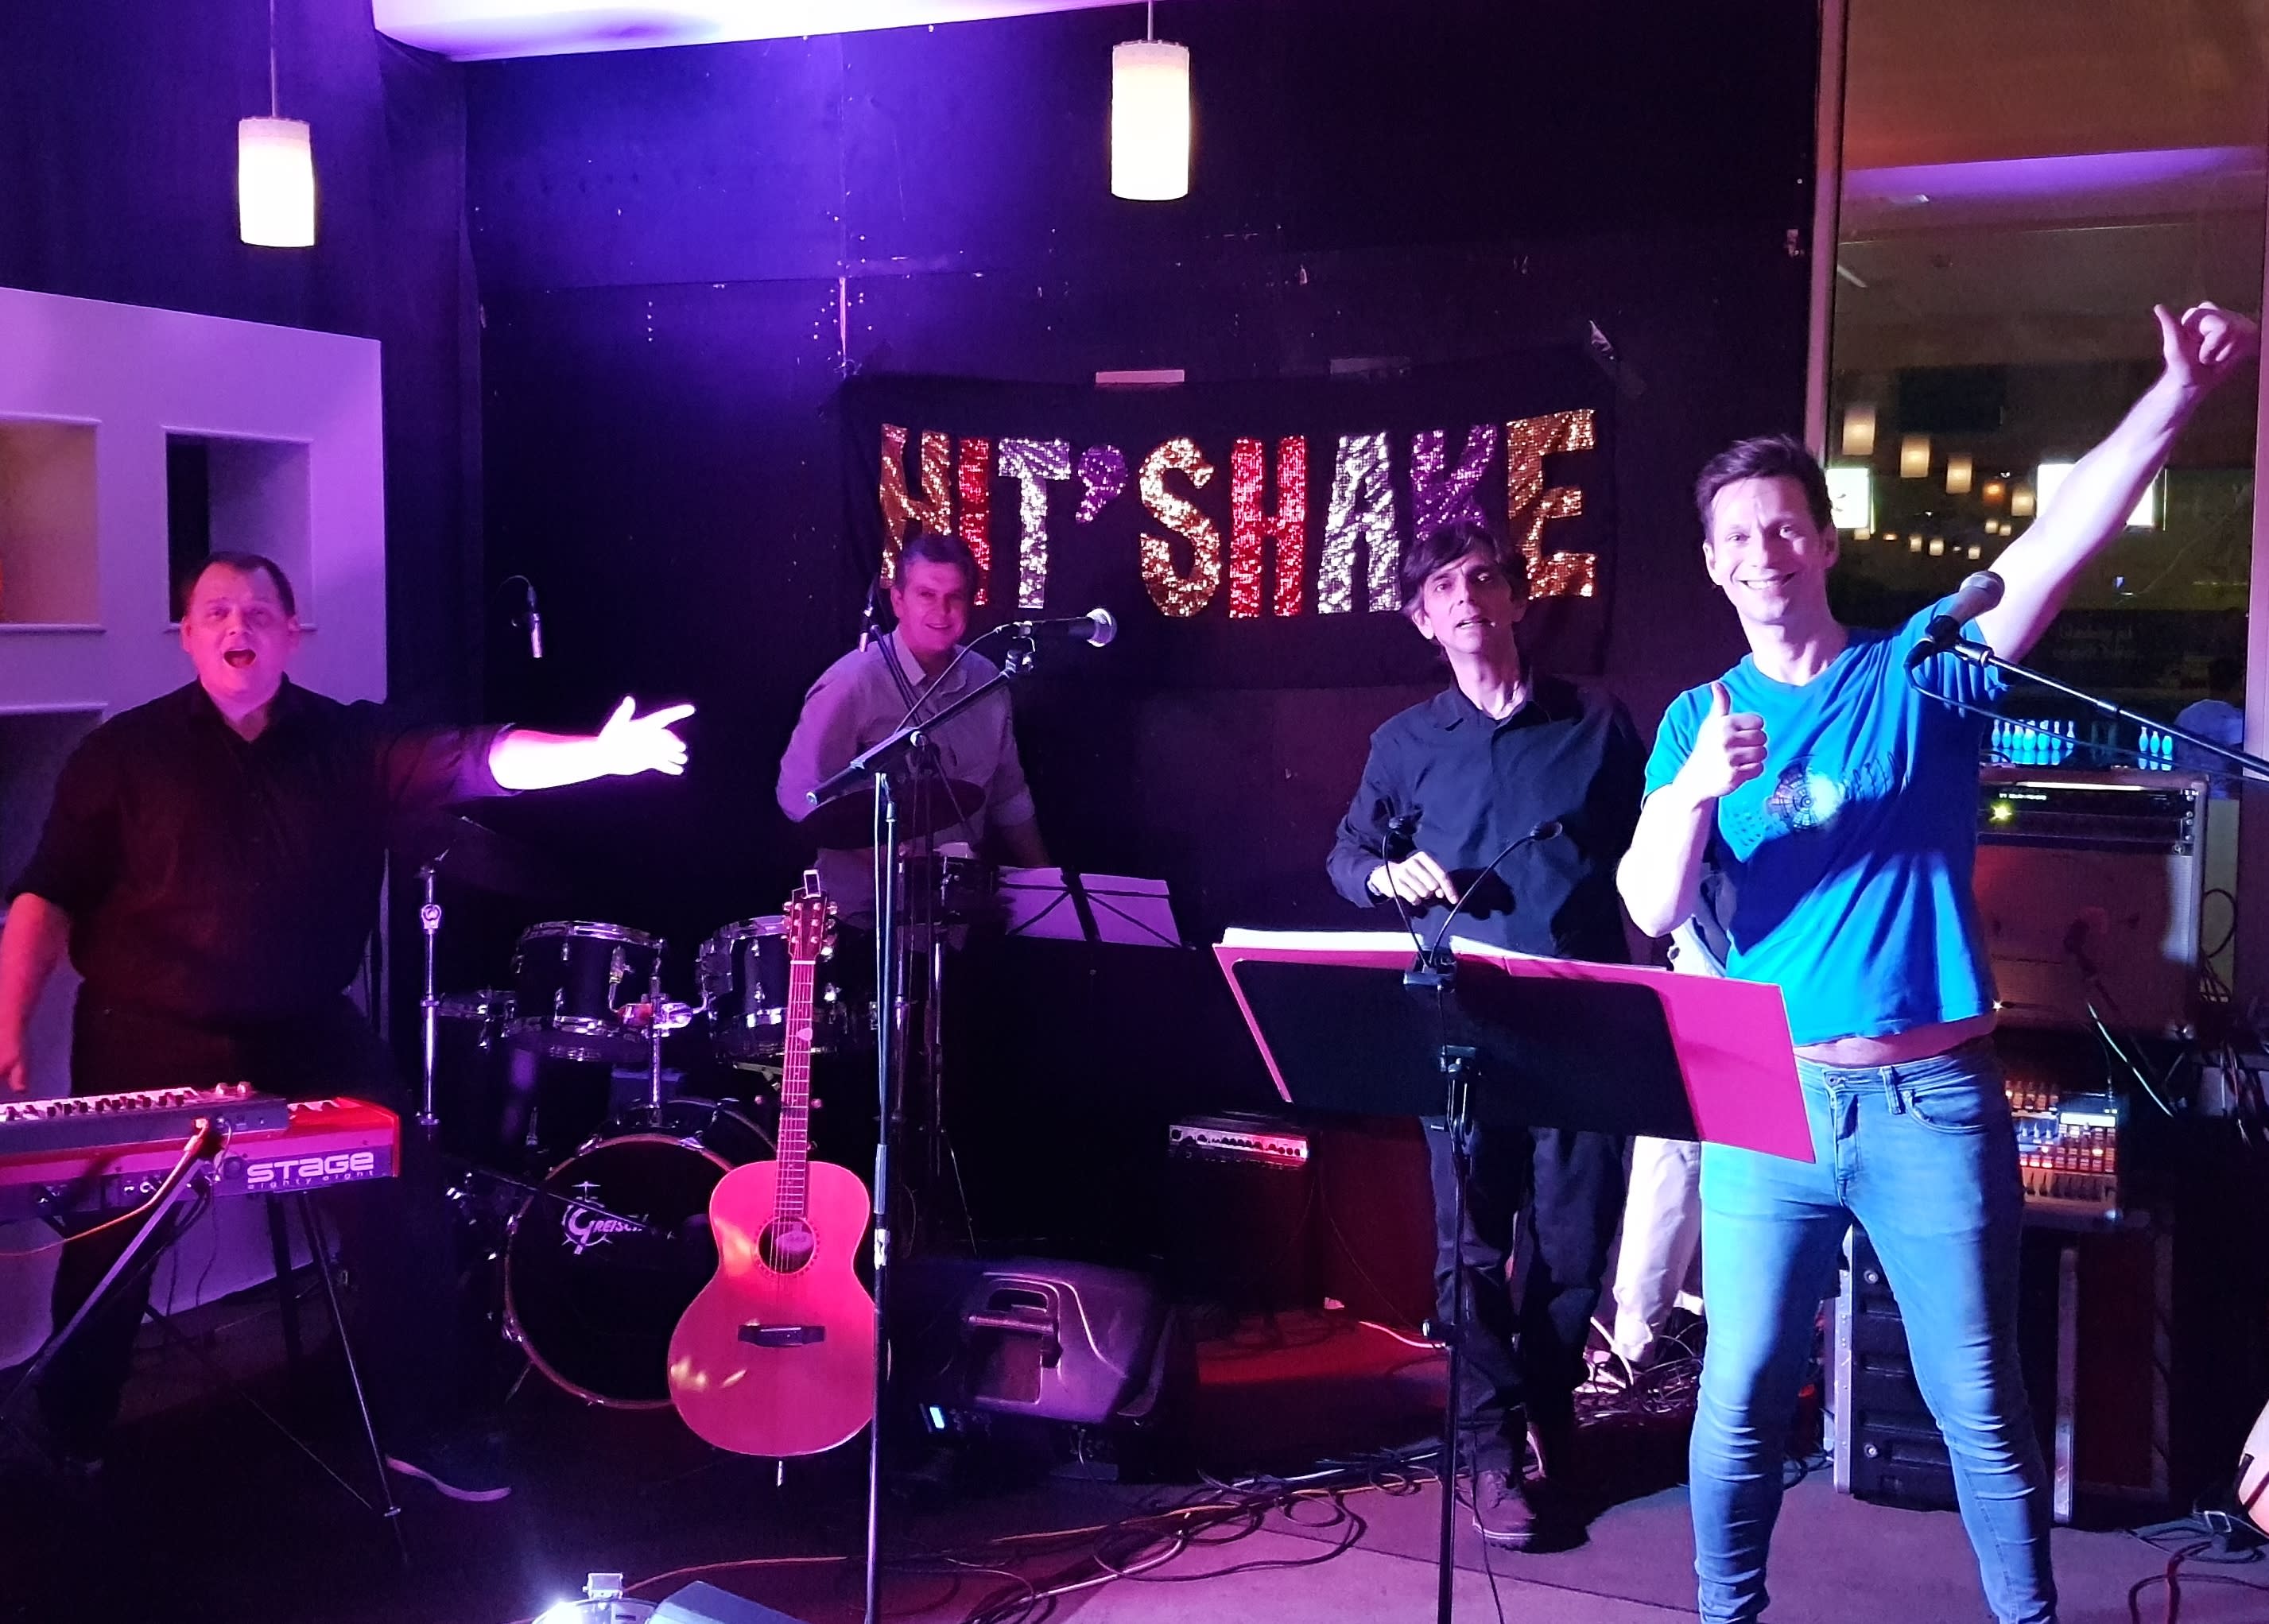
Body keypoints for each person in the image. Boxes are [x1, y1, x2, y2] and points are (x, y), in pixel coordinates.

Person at [1618, 304, 2258, 1623]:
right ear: (1710, 564)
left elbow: (2052, 544)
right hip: (1769, 1102)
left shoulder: (1917, 669)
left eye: (1782, 527)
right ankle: (1722, 1612)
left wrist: (2175, 395)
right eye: (1734, 535)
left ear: (1823, 540)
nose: (1759, 551)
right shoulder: (1693, 719)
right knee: (1737, 1394)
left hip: (1929, 1100)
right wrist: (1686, 794)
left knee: (1978, 1400)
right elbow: (1645, 900)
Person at [0, 551, 696, 1502]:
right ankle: (69, 1429)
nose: (237, 626)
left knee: (405, 1195)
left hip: (305, 1031)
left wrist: (596, 756)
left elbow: (474, 757)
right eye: (216, 612)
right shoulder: (119, 756)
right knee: (110, 1238)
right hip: (145, 1030)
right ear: (189, 635)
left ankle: (422, 1427)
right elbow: (47, 894)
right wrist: (9, 1021)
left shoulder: (350, 743)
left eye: (258, 611)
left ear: (292, 634)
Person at [1326, 517, 1645, 1547]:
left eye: (1480, 579)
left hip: (1583, 1023)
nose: (1465, 599)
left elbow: (1657, 850)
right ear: (1423, 622)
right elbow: (1345, 857)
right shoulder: (1403, 744)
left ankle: (1550, 1404)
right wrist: (1385, 875)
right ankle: (1489, 1445)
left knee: (1572, 1241)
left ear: (1514, 597)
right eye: (1441, 591)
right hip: (1459, 1026)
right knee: (1468, 1247)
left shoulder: (1595, 721)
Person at [776, 529, 1048, 921]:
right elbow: (798, 793)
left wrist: (1048, 884)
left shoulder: (988, 681)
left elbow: (1009, 796)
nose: (942, 611)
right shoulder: (852, 683)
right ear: (898, 601)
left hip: (958, 920)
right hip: (864, 920)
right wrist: (889, 856)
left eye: (955, 597)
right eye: (926, 595)